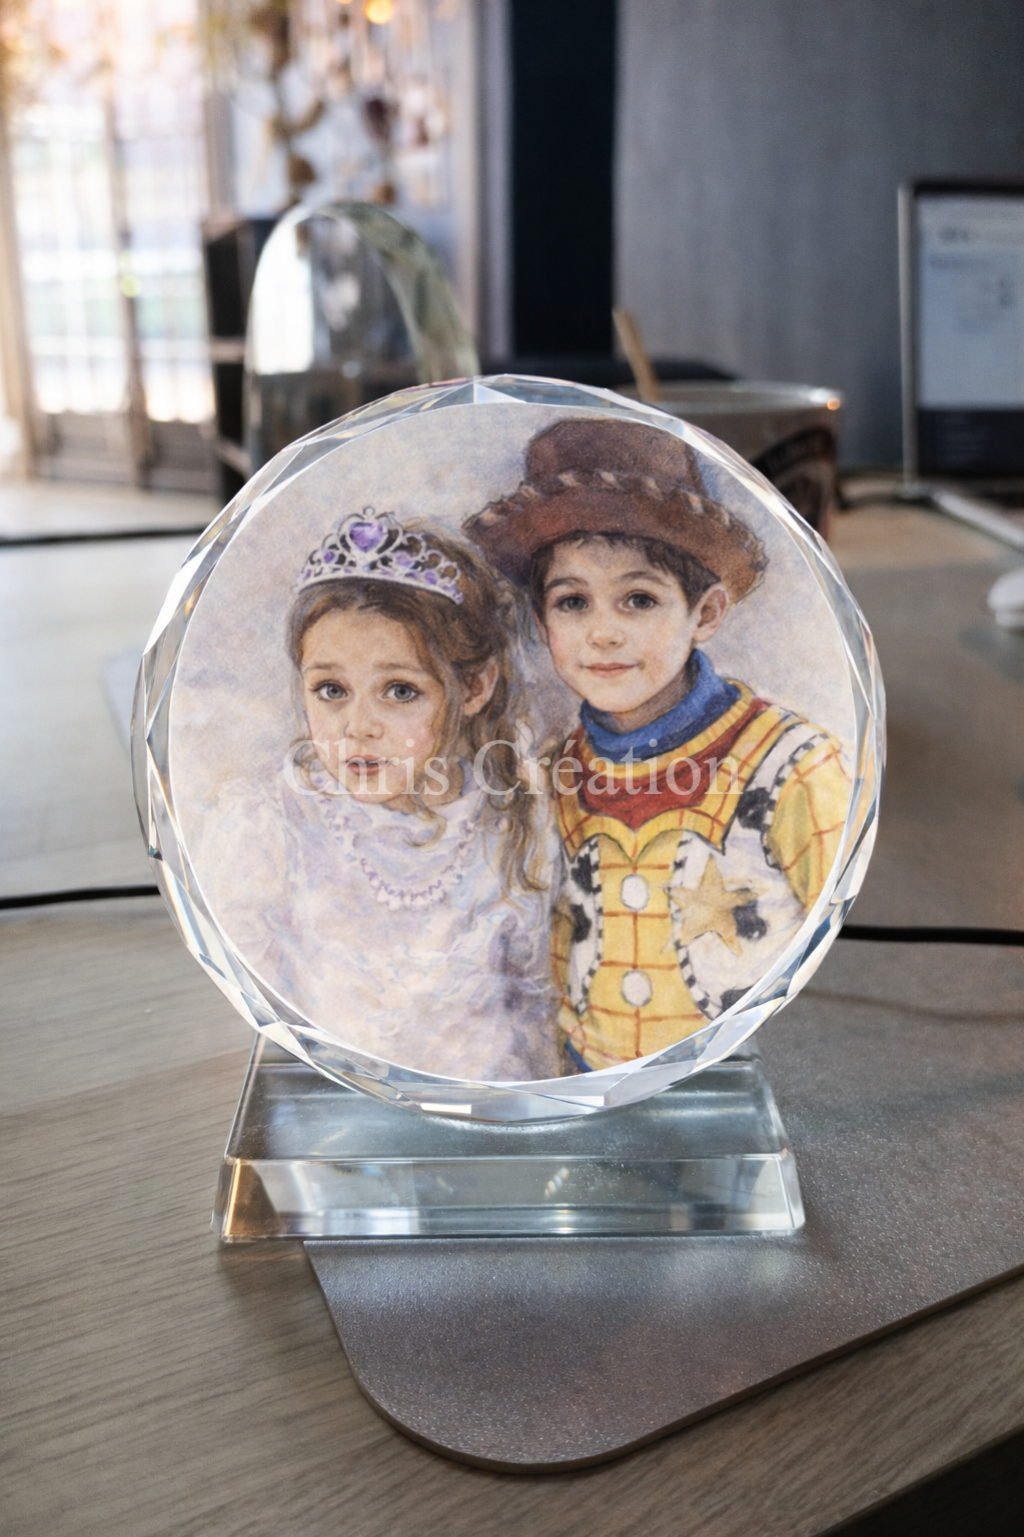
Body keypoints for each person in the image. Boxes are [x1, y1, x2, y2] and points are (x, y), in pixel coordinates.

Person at [465, 416, 852, 1073]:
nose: (603, 633)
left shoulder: (793, 766)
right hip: (582, 1081)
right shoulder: (552, 774)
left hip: (731, 1075)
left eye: (639, 600)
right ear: (541, 619)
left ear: (706, 612)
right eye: (572, 602)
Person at [195, 509, 560, 1082]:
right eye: (331, 689)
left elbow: (533, 1005)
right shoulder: (270, 826)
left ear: (474, 687)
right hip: (340, 1096)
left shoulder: (515, 818)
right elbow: (258, 1006)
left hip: (495, 1097)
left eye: (399, 691)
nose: (357, 726)